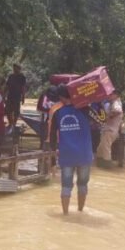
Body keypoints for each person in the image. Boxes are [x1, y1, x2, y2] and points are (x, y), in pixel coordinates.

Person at [49, 85, 93, 215]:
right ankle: (80, 211)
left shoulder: (58, 113)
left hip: (66, 154)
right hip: (84, 153)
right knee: (83, 184)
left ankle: (65, 215)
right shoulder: (85, 109)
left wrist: (53, 156)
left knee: (66, 186)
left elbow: (52, 136)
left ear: (62, 97)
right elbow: (100, 119)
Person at [95, 90, 122, 168]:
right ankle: (101, 163)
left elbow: (118, 111)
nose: (109, 96)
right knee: (101, 148)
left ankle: (107, 165)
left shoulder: (116, 103)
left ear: (116, 95)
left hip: (110, 130)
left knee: (105, 148)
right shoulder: (112, 103)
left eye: (111, 94)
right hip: (109, 129)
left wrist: (108, 117)